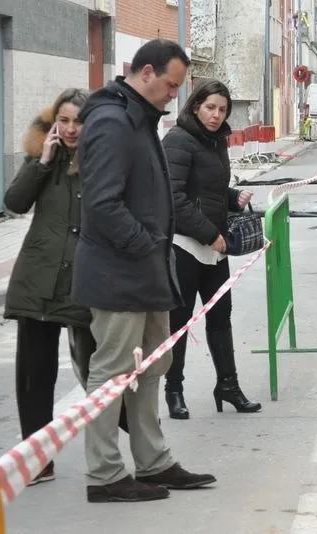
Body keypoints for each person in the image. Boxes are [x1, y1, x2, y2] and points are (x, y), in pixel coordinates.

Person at [73, 38, 215, 503]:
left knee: (154, 363)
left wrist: (153, 253)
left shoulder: (140, 118)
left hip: (147, 270)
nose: (175, 94)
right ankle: (106, 474)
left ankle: (154, 461)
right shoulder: (113, 121)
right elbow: (101, 203)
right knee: (112, 370)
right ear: (147, 72)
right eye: (171, 85)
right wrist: (144, 245)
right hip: (119, 274)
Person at [3, 88, 128, 487]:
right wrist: (41, 162)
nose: (72, 129)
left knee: (94, 366)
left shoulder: (103, 161)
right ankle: (38, 459)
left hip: (85, 279)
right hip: (38, 277)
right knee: (34, 373)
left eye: (80, 120)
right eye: (66, 120)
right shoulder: (44, 159)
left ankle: (133, 438)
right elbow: (14, 202)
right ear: (55, 122)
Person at [160, 79, 261, 420]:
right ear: (195, 106)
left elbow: (209, 189)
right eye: (210, 108)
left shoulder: (216, 141)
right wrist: (208, 233)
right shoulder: (178, 140)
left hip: (213, 247)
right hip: (185, 246)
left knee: (221, 316)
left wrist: (234, 198)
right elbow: (173, 198)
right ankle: (174, 390)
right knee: (180, 321)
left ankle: (228, 386)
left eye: (222, 109)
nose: (217, 115)